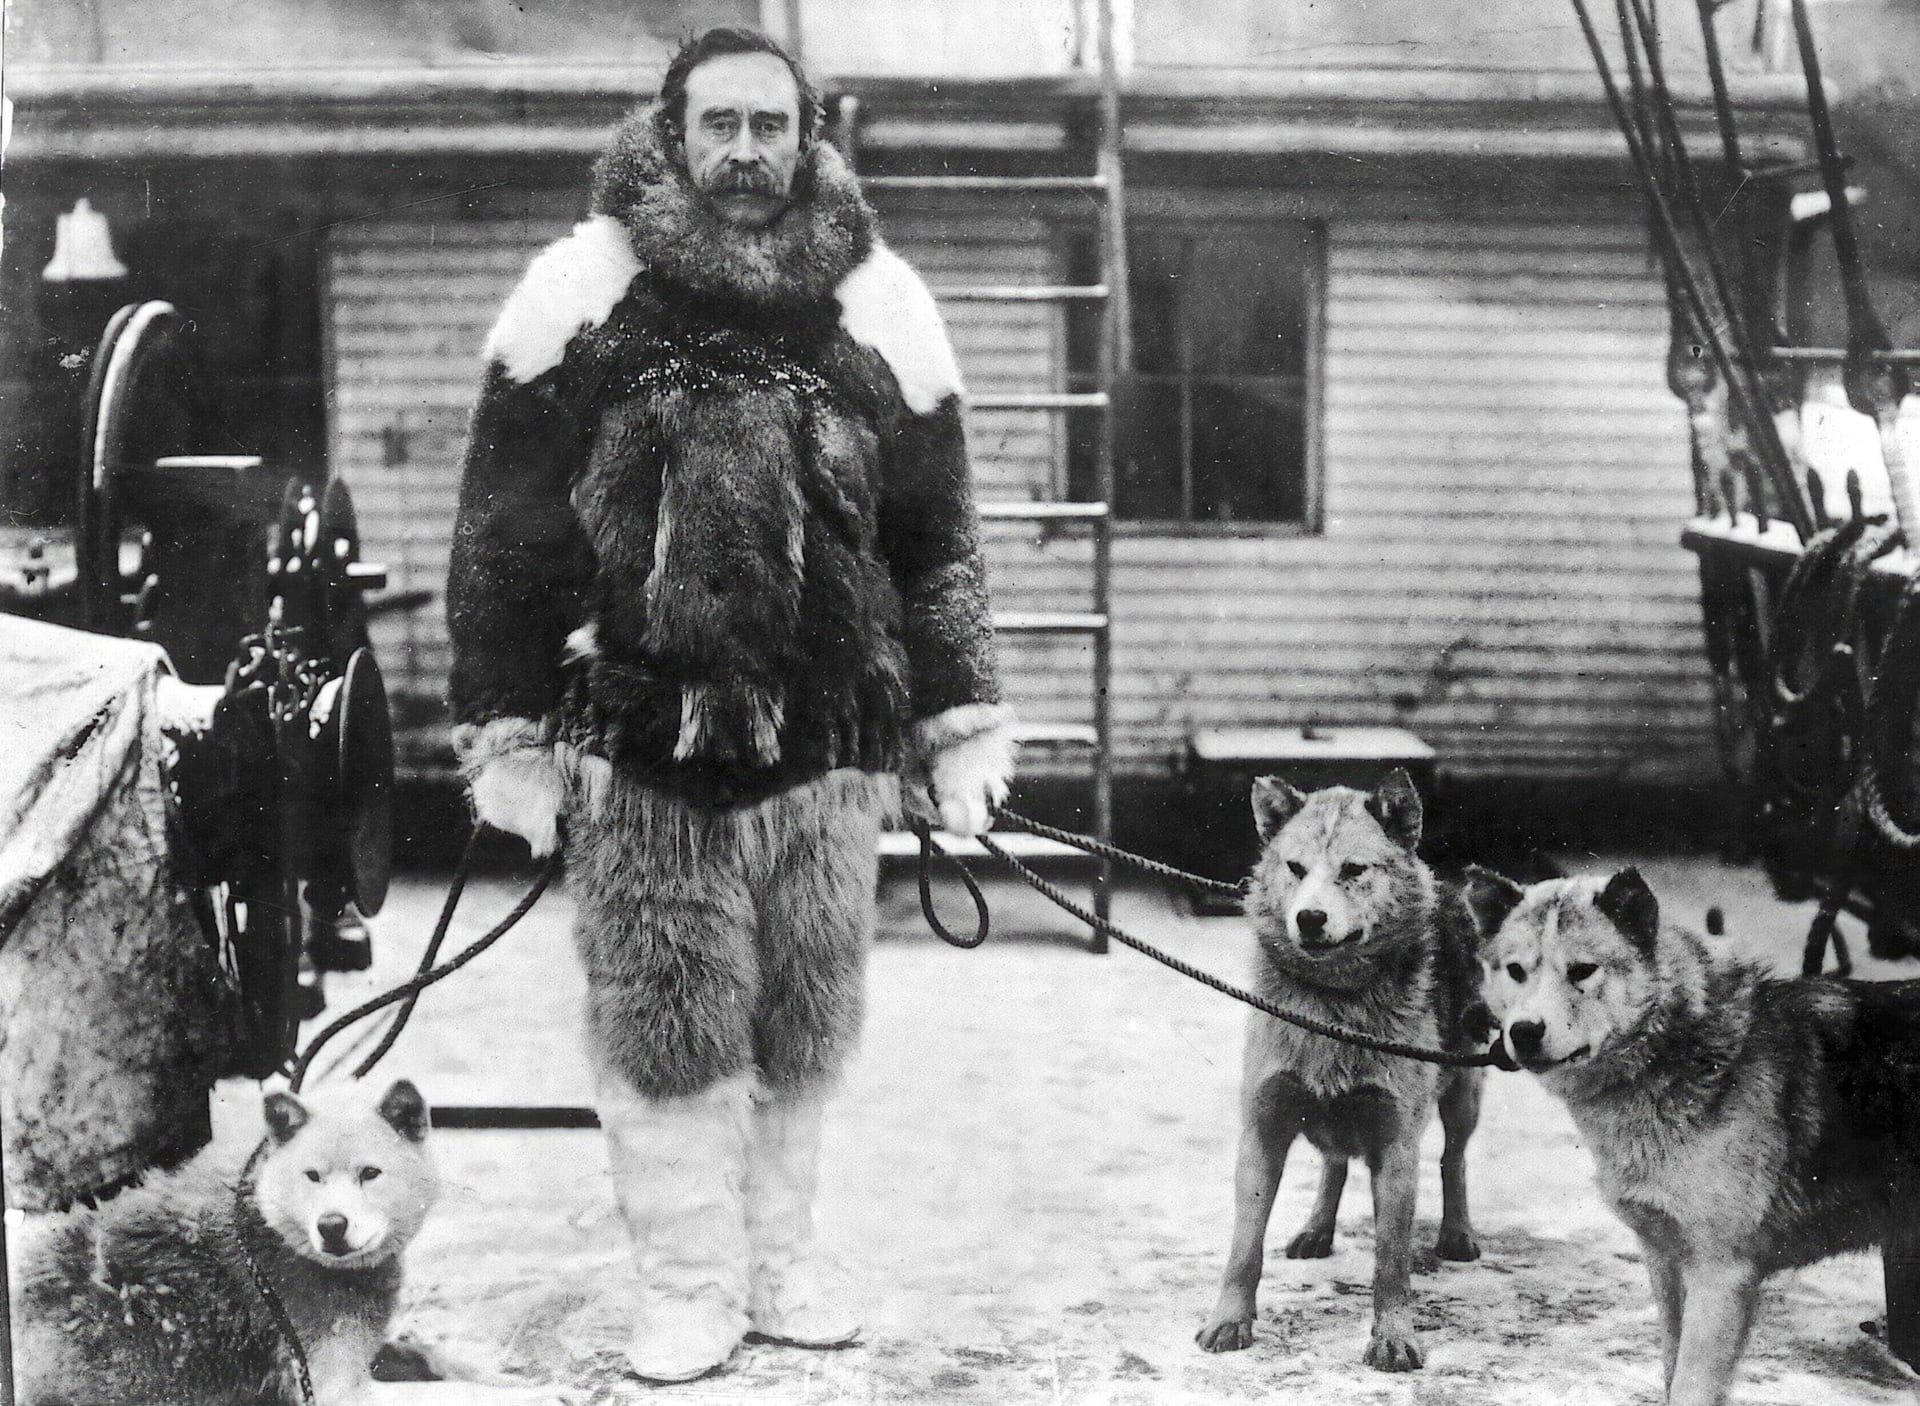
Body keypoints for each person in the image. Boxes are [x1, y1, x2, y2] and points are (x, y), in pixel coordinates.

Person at [444, 25, 1014, 1385]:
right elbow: (503, 537)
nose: (747, 152)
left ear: (809, 137)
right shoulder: (584, 294)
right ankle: (687, 1288)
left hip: (828, 749)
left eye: (772, 125)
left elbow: (937, 540)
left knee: (804, 1027)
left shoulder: (878, 303)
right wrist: (510, 727)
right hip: (645, 751)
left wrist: (959, 716)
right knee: (666, 1032)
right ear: (673, 133)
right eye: (721, 125)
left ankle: (781, 1266)